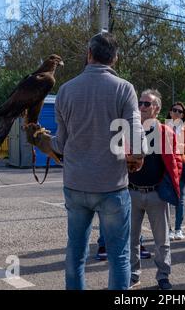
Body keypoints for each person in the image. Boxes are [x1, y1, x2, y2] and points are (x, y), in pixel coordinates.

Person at [26, 32, 146, 290]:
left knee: (76, 255)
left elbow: (60, 144)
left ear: (89, 54)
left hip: (76, 185)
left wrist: (40, 140)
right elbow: (136, 139)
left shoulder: (66, 90)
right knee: (119, 257)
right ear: (115, 58)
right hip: (112, 186)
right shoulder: (125, 89)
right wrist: (136, 159)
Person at [129, 89, 182, 290]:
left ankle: (163, 277)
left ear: (156, 109)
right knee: (131, 240)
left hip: (156, 194)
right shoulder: (130, 129)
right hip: (131, 192)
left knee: (162, 241)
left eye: (146, 104)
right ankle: (133, 275)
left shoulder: (166, 132)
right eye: (140, 103)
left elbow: (176, 160)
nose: (141, 107)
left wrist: (170, 185)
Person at [166, 102, 185, 240]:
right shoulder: (162, 127)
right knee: (165, 198)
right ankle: (168, 230)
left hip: (181, 164)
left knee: (179, 198)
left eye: (180, 111)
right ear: (170, 112)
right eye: (174, 110)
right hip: (165, 166)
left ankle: (178, 229)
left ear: (183, 115)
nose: (177, 113)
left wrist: (172, 145)